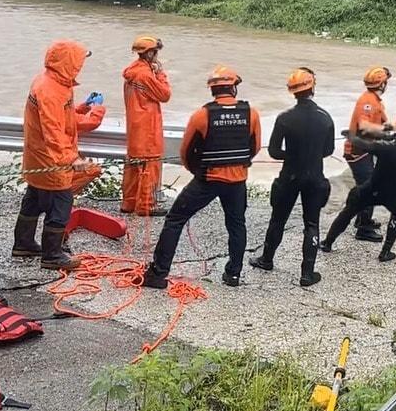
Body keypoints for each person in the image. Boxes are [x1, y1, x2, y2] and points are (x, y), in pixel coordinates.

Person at [143, 66, 261, 290]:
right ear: (233, 88)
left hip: (207, 179)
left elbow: (186, 152)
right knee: (237, 225)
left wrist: (198, 172)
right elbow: (253, 148)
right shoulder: (251, 113)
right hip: (237, 181)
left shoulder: (202, 115)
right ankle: (233, 274)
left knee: (175, 219)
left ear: (213, 91)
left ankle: (158, 273)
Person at [12, 41, 106, 270]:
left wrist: (84, 107)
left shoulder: (51, 83)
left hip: (40, 158)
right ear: (68, 63)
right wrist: (71, 160)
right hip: (50, 160)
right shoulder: (51, 90)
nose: (81, 66)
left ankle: (23, 244)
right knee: (61, 204)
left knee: (34, 199)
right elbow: (53, 131)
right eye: (79, 62)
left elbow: (62, 118)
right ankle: (52, 255)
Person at [249, 68, 334, 288]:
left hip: (290, 176)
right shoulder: (325, 118)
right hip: (315, 176)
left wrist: (293, 155)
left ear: (293, 92)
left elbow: (275, 151)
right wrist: (310, 154)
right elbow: (328, 149)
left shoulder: (285, 118)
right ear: (312, 87)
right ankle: (307, 273)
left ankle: (266, 259)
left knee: (278, 218)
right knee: (311, 223)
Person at [321, 106, 396, 263]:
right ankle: (386, 251)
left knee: (349, 211)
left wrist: (349, 134)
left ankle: (327, 243)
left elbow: (365, 145)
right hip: (394, 192)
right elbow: (391, 140)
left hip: (373, 188)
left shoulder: (387, 147)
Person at [122, 36, 172, 217]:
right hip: (147, 128)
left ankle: (129, 202)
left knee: (134, 165)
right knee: (149, 165)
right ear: (150, 53)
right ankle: (146, 205)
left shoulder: (132, 72)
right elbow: (165, 94)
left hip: (135, 127)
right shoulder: (145, 75)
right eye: (155, 52)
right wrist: (160, 73)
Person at [342, 67, 392, 243]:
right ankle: (363, 228)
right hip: (358, 152)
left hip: (365, 150)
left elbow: (383, 122)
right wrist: (384, 131)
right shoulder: (367, 101)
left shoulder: (375, 100)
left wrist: (392, 128)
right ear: (382, 83)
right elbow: (364, 126)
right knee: (369, 187)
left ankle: (362, 219)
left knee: (369, 184)